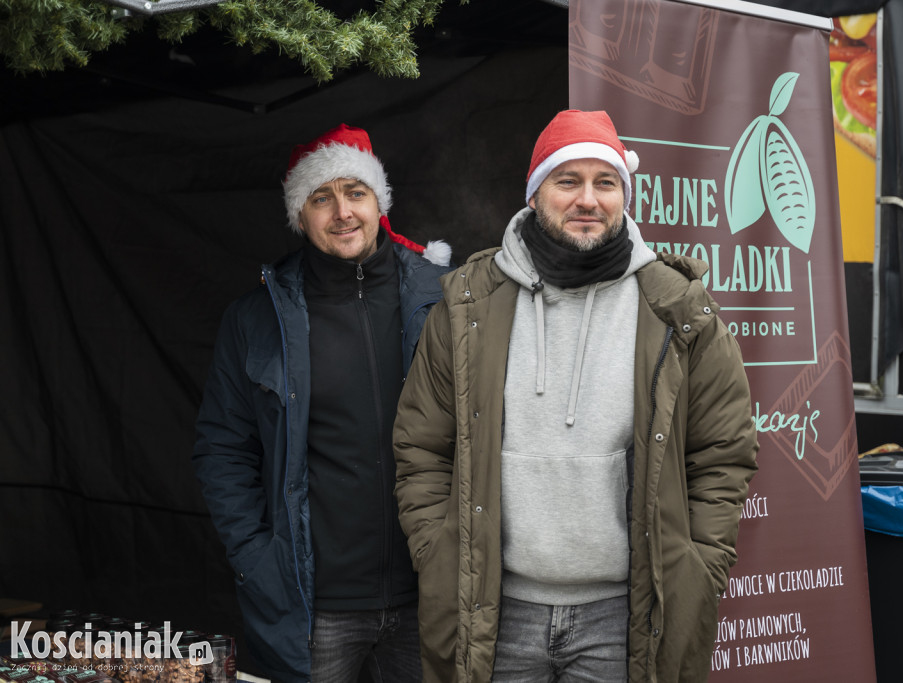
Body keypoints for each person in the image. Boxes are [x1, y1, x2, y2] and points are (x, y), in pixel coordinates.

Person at [392, 109, 758, 682]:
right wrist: (439, 552)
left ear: (624, 196)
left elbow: (722, 452)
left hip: (625, 618)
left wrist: (698, 565)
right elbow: (421, 447)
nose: (588, 199)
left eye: (605, 183)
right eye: (568, 181)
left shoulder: (678, 309)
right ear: (536, 195)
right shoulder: (468, 307)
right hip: (496, 613)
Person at [193, 123, 451, 683]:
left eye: (354, 192)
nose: (342, 212)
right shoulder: (258, 319)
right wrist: (258, 561)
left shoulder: (445, 299)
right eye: (320, 197)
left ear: (378, 201)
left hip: (429, 598)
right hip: (314, 607)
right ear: (299, 214)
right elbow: (222, 450)